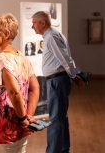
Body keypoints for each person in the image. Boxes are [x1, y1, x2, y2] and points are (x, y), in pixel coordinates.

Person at [31, 11, 85, 153]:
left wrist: (75, 75)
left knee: (55, 118)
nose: (32, 26)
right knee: (60, 117)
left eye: (34, 22)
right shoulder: (53, 35)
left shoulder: (52, 36)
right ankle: (63, 148)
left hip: (57, 80)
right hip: (57, 80)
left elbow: (65, 58)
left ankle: (54, 151)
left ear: (43, 23)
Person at [0, 13, 40, 153]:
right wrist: (28, 115)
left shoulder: (3, 60)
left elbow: (14, 92)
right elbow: (35, 88)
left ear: (5, 34)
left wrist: (23, 118)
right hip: (21, 128)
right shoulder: (21, 57)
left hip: (5, 128)